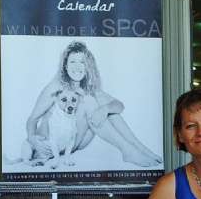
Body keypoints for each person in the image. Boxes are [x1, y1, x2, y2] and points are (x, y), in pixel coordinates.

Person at [25, 40, 162, 168]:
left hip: (71, 143)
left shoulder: (87, 88)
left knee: (108, 110)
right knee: (89, 101)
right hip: (49, 145)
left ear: (88, 66)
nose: (77, 66)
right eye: (72, 62)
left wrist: (105, 109)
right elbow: (32, 119)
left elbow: (119, 105)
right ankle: (128, 151)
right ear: (65, 66)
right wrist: (32, 139)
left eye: (82, 62)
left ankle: (141, 149)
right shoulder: (56, 87)